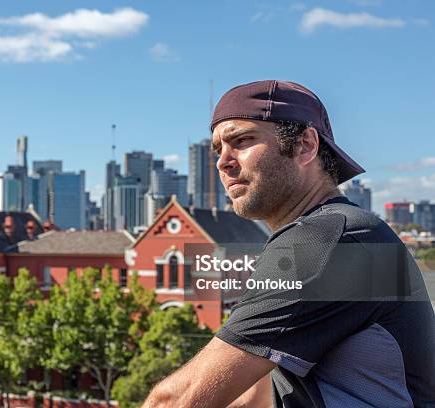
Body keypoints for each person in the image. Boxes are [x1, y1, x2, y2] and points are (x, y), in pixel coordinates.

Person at [142, 80, 435, 407]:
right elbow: (260, 395)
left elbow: (177, 401)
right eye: (217, 150)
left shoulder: (330, 239)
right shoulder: (344, 231)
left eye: (241, 140)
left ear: (305, 145)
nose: (222, 162)